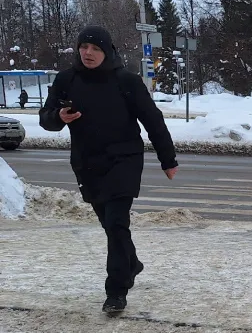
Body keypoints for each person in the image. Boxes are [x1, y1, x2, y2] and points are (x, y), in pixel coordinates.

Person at [39, 25, 178, 314]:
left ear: (107, 51)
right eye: (84, 47)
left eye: (96, 48)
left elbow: (153, 120)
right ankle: (132, 263)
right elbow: (46, 119)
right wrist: (59, 116)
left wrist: (168, 159)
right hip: (87, 163)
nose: (88, 53)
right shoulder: (67, 80)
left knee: (116, 223)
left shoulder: (126, 81)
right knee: (111, 226)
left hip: (123, 160)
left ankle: (116, 291)